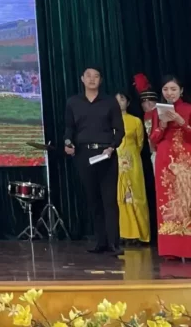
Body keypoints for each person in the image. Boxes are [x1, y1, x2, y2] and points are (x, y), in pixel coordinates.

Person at [63, 67, 123, 255]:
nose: (92, 79)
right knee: (93, 199)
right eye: (88, 76)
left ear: (100, 80)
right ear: (82, 78)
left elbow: (120, 130)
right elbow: (69, 128)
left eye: (96, 76)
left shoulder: (110, 102)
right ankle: (101, 242)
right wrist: (67, 142)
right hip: (84, 154)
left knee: (109, 200)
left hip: (106, 153)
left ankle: (114, 243)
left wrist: (112, 147)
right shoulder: (73, 102)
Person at [149, 75, 191, 259]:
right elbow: (153, 139)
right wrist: (163, 125)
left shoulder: (188, 109)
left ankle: (187, 247)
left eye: (173, 89)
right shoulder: (156, 111)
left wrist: (182, 122)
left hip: (185, 158)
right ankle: (171, 249)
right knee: (167, 201)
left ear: (181, 90)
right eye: (165, 89)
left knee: (186, 200)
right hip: (165, 160)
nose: (169, 93)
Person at [115, 92, 150, 244]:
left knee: (136, 196)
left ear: (128, 103)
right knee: (120, 196)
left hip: (133, 162)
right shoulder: (108, 121)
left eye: (122, 99)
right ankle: (124, 234)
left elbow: (140, 143)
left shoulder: (136, 121)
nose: (119, 102)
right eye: (116, 100)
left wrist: (130, 155)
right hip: (115, 162)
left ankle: (141, 234)